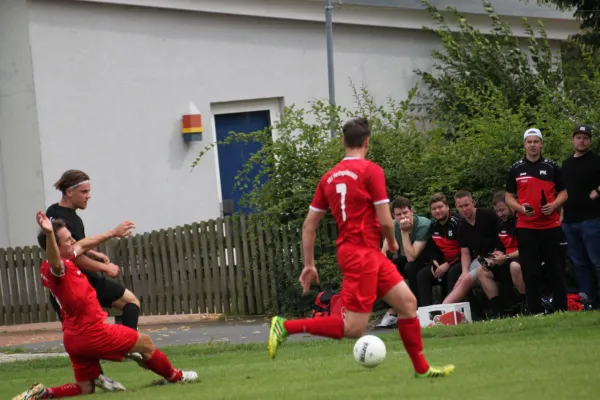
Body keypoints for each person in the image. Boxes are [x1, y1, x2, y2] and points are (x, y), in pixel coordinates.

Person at [266, 117, 454, 378]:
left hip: (361, 254)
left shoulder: (329, 177)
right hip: (361, 255)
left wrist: (309, 264)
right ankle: (285, 326)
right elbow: (386, 220)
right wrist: (391, 240)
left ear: (343, 141)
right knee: (354, 328)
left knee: (408, 304)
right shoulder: (370, 170)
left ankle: (421, 369)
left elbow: (309, 225)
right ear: (367, 142)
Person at [12, 212, 198, 400]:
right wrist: (50, 234)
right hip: (93, 333)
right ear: (55, 246)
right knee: (146, 343)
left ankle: (42, 394)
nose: (73, 241)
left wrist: (113, 232)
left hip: (73, 339)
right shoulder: (58, 268)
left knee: (85, 389)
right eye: (67, 240)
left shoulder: (67, 257)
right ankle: (176, 377)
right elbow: (56, 263)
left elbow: (83, 244)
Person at [46, 170, 141, 331]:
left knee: (79, 333)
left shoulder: (52, 212)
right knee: (130, 302)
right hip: (80, 280)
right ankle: (130, 343)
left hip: (59, 286)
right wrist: (105, 267)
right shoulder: (71, 220)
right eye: (84, 191)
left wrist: (92, 253)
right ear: (69, 192)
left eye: (88, 191)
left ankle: (123, 344)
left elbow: (71, 245)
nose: (88, 196)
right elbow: (73, 256)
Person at [505, 128, 568, 315]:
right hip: (526, 226)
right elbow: (508, 196)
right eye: (529, 141)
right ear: (524, 144)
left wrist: (554, 204)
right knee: (530, 270)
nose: (532, 145)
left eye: (536, 141)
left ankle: (561, 309)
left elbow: (564, 192)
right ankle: (535, 311)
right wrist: (520, 208)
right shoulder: (516, 169)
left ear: (541, 144)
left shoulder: (551, 166)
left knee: (555, 268)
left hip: (550, 225)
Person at [376, 196, 432, 327]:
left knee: (410, 267)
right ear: (393, 216)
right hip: (407, 259)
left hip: (425, 259)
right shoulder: (393, 225)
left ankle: (416, 311)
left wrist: (404, 232)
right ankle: (392, 312)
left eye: (405, 212)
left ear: (412, 211)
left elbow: (413, 256)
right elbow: (383, 253)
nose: (403, 217)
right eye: (399, 214)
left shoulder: (423, 224)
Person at [560, 124, 600, 309]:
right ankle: (587, 301)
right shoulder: (566, 164)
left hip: (592, 219)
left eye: (585, 137)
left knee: (597, 260)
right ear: (573, 139)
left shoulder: (596, 161)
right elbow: (563, 192)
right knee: (579, 263)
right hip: (570, 221)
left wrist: (598, 191)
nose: (581, 140)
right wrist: (561, 215)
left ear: (590, 141)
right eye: (578, 137)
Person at [442, 190, 502, 307]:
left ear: (473, 202)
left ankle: (442, 309)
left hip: (495, 255)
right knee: (461, 280)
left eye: (466, 205)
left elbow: (503, 235)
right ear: (456, 207)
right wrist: (464, 271)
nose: (464, 209)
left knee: (466, 280)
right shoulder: (462, 226)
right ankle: (441, 312)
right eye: (461, 207)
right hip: (480, 258)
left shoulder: (488, 215)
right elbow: (465, 253)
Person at [476, 191, 526, 317]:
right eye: (497, 211)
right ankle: (498, 312)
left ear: (512, 206)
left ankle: (527, 303)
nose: (500, 214)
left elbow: (526, 248)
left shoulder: (522, 221)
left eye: (502, 210)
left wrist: (506, 257)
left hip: (525, 257)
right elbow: (501, 247)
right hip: (507, 258)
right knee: (481, 271)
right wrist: (496, 256)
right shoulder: (500, 225)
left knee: (514, 267)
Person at [416, 193, 462, 307]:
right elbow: (433, 250)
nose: (437, 211)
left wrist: (448, 264)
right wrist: (434, 261)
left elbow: (467, 250)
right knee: (423, 275)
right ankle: (425, 313)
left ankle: (450, 310)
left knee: (452, 272)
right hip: (443, 262)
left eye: (440, 207)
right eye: (434, 208)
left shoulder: (459, 222)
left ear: (447, 207)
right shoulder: (433, 226)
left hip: (461, 261)